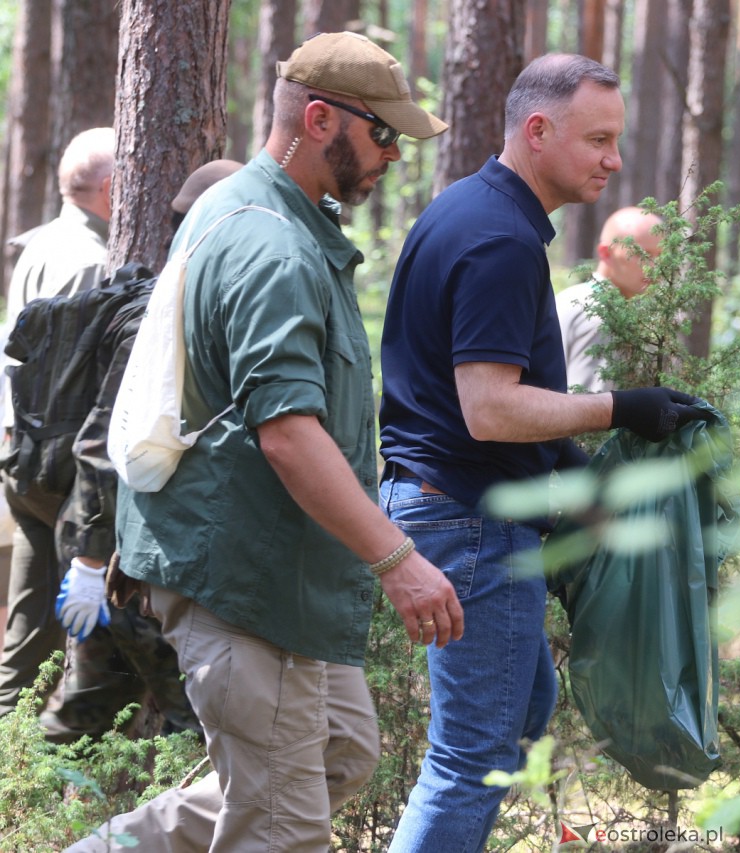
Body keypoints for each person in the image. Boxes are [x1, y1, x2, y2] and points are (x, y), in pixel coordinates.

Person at [65, 31, 460, 852]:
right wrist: (399, 560)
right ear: (319, 120)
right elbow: (287, 436)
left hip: (283, 573)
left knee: (335, 753)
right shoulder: (269, 244)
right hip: (246, 575)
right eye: (381, 133)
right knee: (282, 825)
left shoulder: (279, 216)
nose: (393, 154)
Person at [378, 53, 712, 853]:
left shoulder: (474, 211)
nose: (615, 159)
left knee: (524, 705)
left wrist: (575, 474)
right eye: (598, 139)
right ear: (538, 131)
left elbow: (474, 403)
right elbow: (487, 408)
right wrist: (621, 408)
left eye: (616, 140)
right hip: (467, 520)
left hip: (456, 507)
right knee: (471, 758)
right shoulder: (500, 239)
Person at [39, 159, 244, 744]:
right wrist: (87, 561)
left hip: (132, 552)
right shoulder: (159, 318)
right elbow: (104, 443)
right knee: (190, 722)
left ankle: (31, 811)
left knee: (89, 708)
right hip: (119, 558)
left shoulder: (198, 303)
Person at [0, 127, 115, 720]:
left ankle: (16, 775)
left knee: (31, 630)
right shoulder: (93, 264)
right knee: (79, 640)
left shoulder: (40, 244)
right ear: (110, 187)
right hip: (63, 471)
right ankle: (35, 778)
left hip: (25, 458)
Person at [556, 205, 664, 392]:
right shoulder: (601, 316)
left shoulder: (574, 297)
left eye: (660, 255)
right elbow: (587, 407)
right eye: (642, 254)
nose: (654, 267)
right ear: (606, 253)